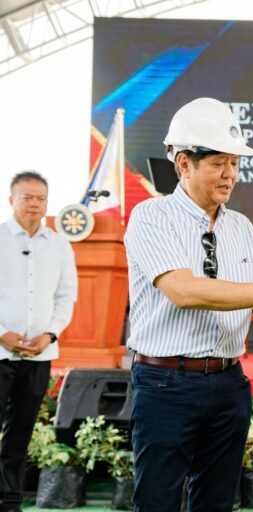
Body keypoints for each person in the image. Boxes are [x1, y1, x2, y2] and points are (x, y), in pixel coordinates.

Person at [124, 97, 253, 512]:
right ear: (183, 163)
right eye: (218, 162)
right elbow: (184, 290)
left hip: (230, 381)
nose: (230, 174)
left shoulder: (241, 226)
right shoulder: (151, 216)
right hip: (165, 384)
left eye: (234, 163)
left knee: (217, 502)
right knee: (157, 500)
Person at [0, 171, 77, 512]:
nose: (34, 204)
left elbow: (66, 296)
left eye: (41, 198)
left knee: (20, 435)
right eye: (27, 197)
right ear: (11, 200)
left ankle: (10, 503)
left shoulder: (59, 244)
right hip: (0, 351)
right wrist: (2, 333)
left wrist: (49, 335)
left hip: (38, 355)